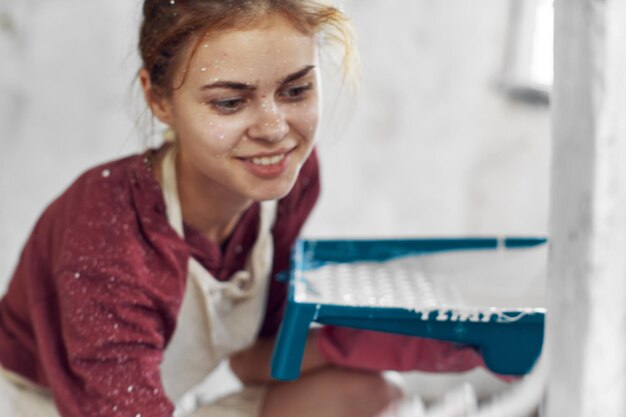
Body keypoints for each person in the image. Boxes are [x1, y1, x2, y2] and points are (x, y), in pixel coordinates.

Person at [0, 1, 489, 416]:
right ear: (159, 99)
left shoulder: (287, 184)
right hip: (49, 405)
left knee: (368, 391)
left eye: (296, 90)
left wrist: (401, 342)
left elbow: (251, 358)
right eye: (231, 102)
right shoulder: (110, 234)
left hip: (168, 397)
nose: (275, 129)